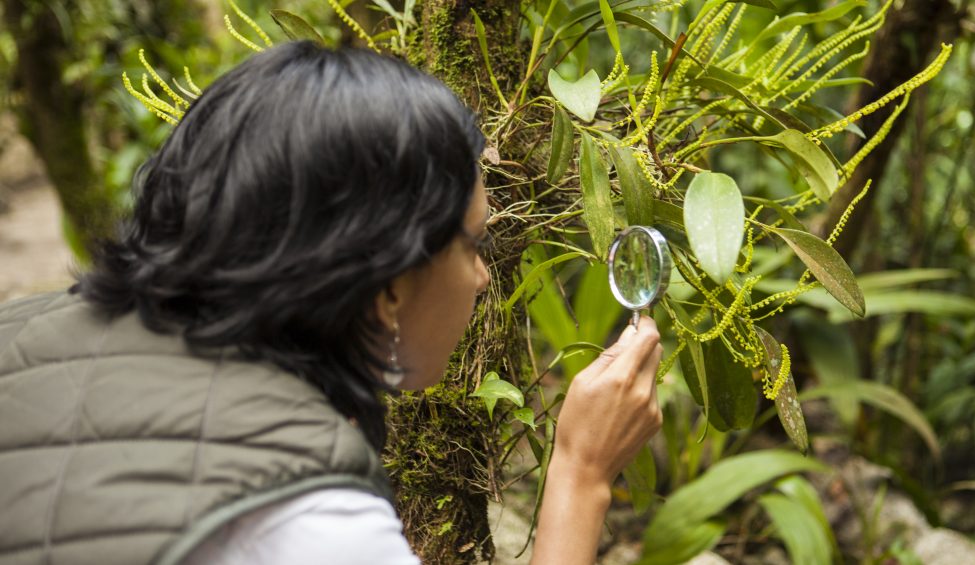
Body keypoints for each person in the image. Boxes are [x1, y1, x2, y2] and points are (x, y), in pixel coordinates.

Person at [0, 41, 663, 564]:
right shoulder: (309, 527)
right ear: (388, 284)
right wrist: (581, 472)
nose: (482, 278)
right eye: (473, 244)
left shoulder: (20, 333)